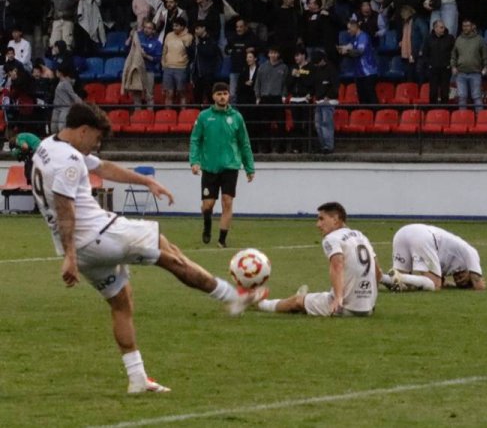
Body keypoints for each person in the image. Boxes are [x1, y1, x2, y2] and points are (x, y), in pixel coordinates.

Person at [31, 103, 264, 394]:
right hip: (101, 235)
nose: (97, 144)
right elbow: (65, 209)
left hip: (86, 249)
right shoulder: (69, 160)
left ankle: (137, 378)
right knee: (169, 253)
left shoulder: (48, 147)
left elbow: (102, 167)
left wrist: (145, 181)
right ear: (83, 130)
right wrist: (69, 257)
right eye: (96, 138)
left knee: (121, 301)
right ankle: (232, 296)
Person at [257, 202, 381, 316]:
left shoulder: (332, 238)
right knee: (311, 298)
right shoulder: (361, 236)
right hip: (368, 309)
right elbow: (378, 272)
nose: (318, 225)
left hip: (345, 307)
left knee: (297, 301)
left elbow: (337, 264)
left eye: (322, 219)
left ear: (335, 219)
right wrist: (370, 301)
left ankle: (259, 304)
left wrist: (338, 298)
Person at [188, 82, 255, 248]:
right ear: (213, 97)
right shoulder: (204, 116)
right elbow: (195, 140)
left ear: (229, 95)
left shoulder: (237, 117)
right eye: (219, 94)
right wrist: (194, 161)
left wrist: (249, 167)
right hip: (209, 167)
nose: (222, 96)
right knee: (207, 205)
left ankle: (222, 240)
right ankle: (207, 223)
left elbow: (244, 143)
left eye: (225, 93)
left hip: (230, 166)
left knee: (227, 201)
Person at [381, 223, 486, 292]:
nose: (459, 279)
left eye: (459, 282)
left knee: (403, 285)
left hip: (403, 233)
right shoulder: (471, 253)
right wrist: (474, 285)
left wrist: (454, 286)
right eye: (464, 279)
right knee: (435, 285)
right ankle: (400, 276)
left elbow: (442, 280)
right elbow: (479, 285)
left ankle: (379, 277)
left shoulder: (451, 264)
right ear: (470, 273)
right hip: (424, 236)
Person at [451, 19, 487, 112]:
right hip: (461, 73)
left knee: (477, 97)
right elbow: (454, 55)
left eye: (467, 26)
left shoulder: (479, 39)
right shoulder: (458, 39)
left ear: (472, 27)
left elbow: (485, 55)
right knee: (462, 97)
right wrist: (453, 66)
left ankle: (480, 119)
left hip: (475, 73)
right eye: (464, 26)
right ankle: (463, 119)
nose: (465, 28)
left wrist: (485, 66)